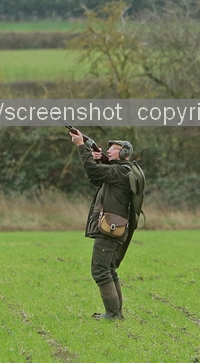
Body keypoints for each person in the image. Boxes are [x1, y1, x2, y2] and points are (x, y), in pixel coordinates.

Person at [69, 130, 135, 320]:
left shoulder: (120, 171)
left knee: (100, 270)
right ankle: (116, 313)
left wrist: (81, 146)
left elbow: (93, 172)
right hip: (116, 225)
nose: (109, 151)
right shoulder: (123, 170)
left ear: (124, 153)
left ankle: (113, 315)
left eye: (113, 149)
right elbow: (97, 178)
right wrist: (98, 159)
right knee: (109, 270)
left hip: (110, 228)